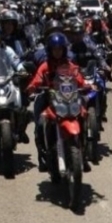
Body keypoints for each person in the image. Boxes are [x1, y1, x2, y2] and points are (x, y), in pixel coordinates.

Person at [27, 31, 89, 175]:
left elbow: (79, 78)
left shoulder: (70, 65)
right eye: (54, 49)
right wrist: (32, 87)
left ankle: (83, 152)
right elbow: (37, 79)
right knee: (40, 122)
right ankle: (43, 154)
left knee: (83, 115)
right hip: (50, 101)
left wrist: (86, 85)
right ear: (50, 50)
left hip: (69, 101)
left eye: (60, 49)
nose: (57, 52)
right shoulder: (45, 66)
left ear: (64, 50)